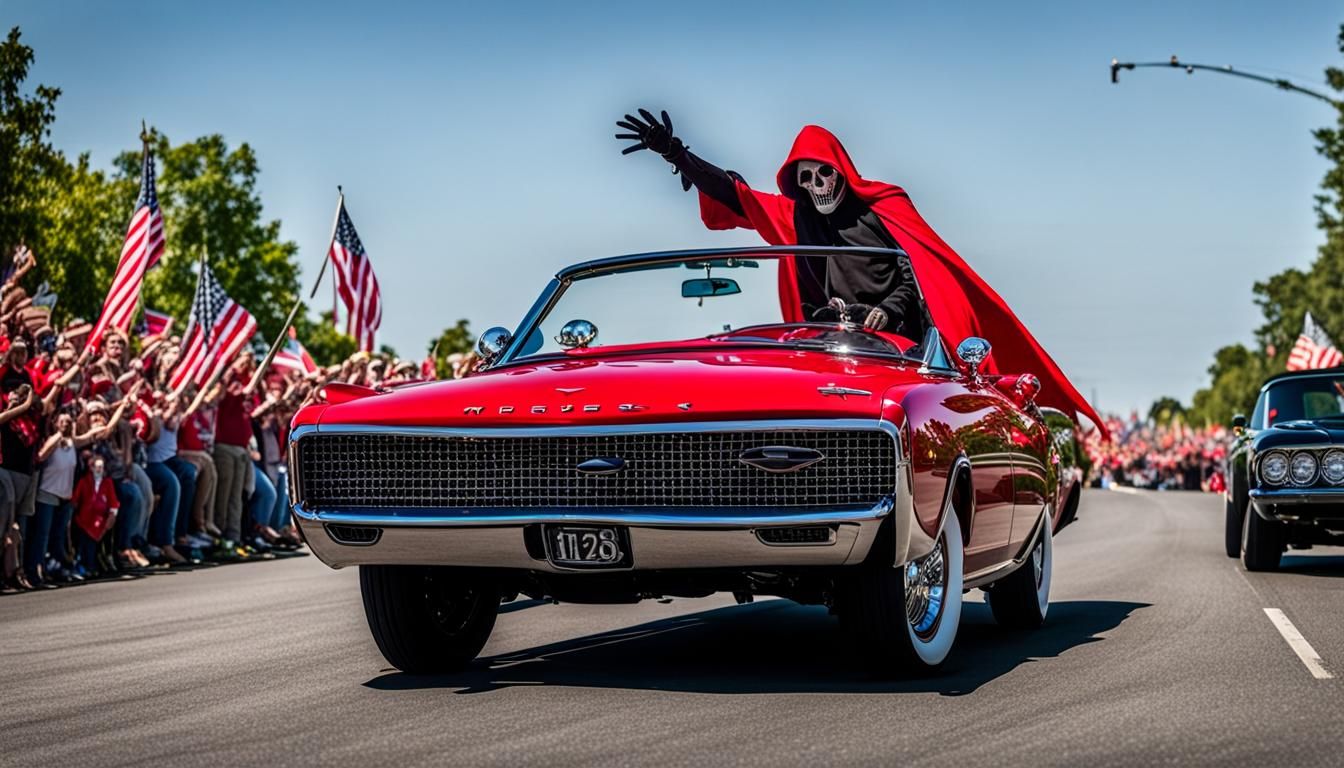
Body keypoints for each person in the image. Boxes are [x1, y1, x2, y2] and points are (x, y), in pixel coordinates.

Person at [615, 108, 1106, 435]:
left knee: (912, 417)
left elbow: (918, 274)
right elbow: (733, 194)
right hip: (831, 344)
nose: (816, 186)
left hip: (905, 343)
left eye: (822, 174)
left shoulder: (884, 207)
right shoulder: (798, 215)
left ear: (840, 171)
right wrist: (678, 154)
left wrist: (887, 313)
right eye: (805, 179)